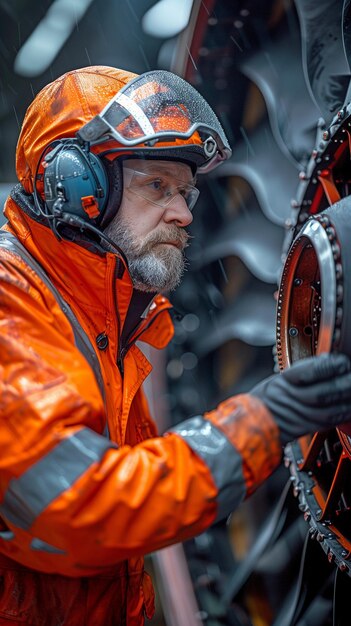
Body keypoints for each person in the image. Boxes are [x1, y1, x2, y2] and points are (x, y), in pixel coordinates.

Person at [0, 65, 351, 626]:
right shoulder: (11, 303)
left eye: (186, 192)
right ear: (76, 186)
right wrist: (264, 418)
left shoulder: (113, 327)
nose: (185, 213)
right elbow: (74, 509)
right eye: (157, 186)